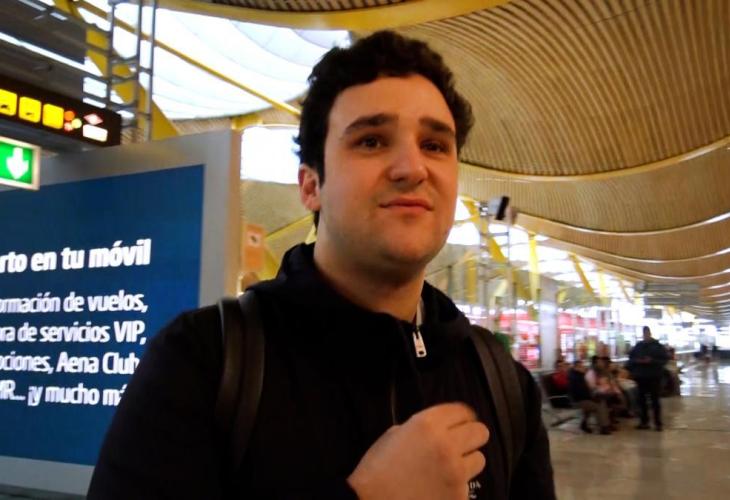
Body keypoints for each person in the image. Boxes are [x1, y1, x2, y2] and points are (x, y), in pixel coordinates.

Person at [87, 31, 555, 499]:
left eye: (434, 145)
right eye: (372, 140)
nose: (413, 168)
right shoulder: (205, 363)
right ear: (311, 186)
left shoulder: (499, 383)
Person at [628, 326, 669, 431]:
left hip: (654, 377)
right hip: (641, 377)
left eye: (646, 333)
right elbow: (631, 359)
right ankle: (644, 422)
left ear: (650, 333)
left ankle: (657, 423)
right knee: (642, 401)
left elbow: (664, 360)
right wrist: (638, 361)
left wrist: (652, 361)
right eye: (644, 333)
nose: (645, 335)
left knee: (655, 400)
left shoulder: (658, 346)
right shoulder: (639, 346)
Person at [567, 360, 612, 435]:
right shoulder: (575, 378)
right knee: (599, 405)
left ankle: (585, 424)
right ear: (576, 368)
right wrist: (592, 398)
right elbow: (580, 393)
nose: (584, 367)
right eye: (581, 366)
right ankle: (604, 427)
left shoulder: (579, 376)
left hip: (583, 399)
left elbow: (586, 390)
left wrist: (593, 396)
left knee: (601, 400)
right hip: (578, 401)